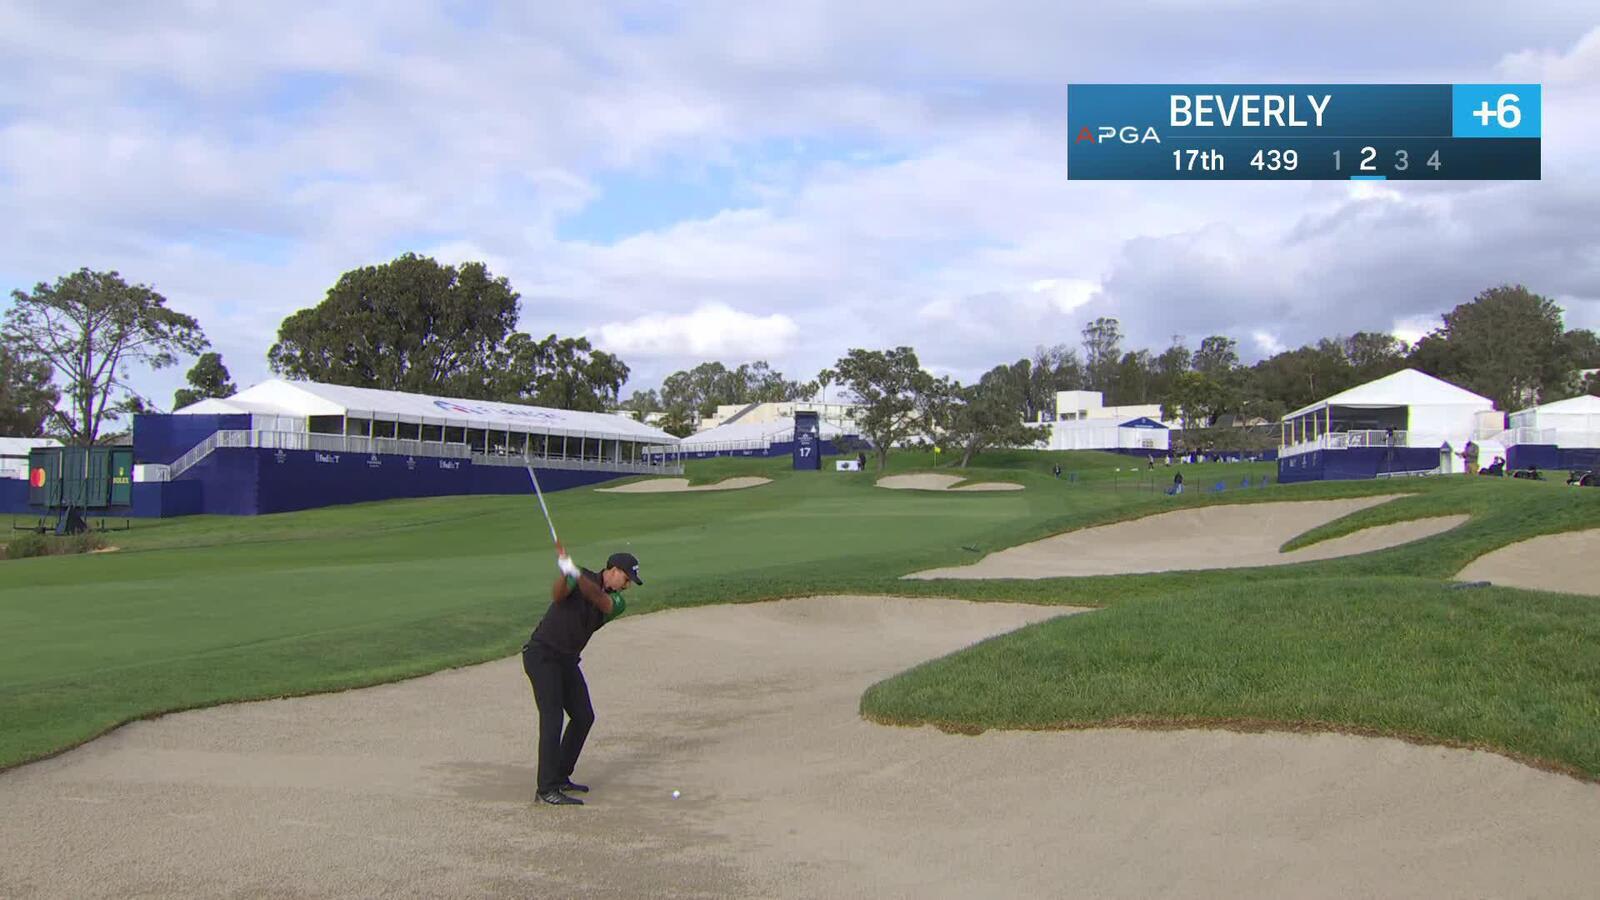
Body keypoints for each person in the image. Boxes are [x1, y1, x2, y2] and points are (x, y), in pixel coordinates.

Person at [523, 546, 642, 806]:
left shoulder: (616, 601)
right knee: (552, 718)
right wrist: (567, 576)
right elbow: (558, 595)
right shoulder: (581, 578)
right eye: (626, 579)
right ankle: (546, 790)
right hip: (543, 655)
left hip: (565, 660)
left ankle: (560, 775)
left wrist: (575, 573)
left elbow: (601, 601)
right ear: (613, 570)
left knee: (584, 716)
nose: (627, 586)